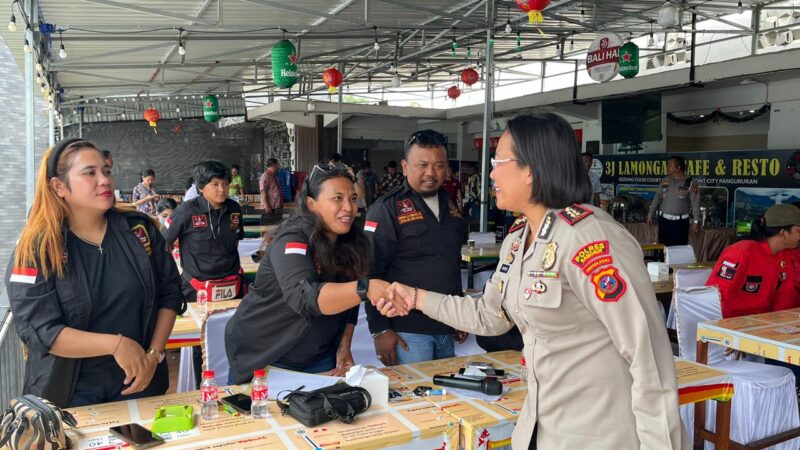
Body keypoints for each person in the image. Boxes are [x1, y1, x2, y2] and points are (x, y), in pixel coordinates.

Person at [372, 113, 685, 449]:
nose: (490, 173)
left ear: (532, 169)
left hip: (597, 434)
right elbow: (489, 315)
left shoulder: (590, 238)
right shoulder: (519, 238)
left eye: (498, 161)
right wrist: (415, 297)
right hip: (539, 426)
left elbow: (648, 356)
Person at [6, 138, 182, 408]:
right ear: (59, 186)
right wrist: (116, 344)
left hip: (141, 381)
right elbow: (40, 330)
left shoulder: (139, 231)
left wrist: (154, 355)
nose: (105, 180)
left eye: (107, 171)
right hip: (69, 393)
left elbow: (170, 293)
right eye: (90, 173)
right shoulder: (37, 247)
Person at [225, 164, 390, 382]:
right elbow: (303, 296)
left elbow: (349, 302)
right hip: (268, 355)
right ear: (312, 204)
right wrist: (367, 288)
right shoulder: (292, 240)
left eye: (352, 198)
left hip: (320, 355)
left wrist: (344, 344)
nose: (348, 208)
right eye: (337, 198)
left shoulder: (350, 242)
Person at [364, 129, 468, 366]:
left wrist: (460, 315)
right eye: (422, 165)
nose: (431, 173)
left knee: (446, 399)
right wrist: (380, 330)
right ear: (405, 166)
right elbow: (369, 274)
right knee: (415, 401)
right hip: (407, 331)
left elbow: (450, 265)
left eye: (439, 165)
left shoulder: (450, 207)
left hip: (446, 324)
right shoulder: (386, 209)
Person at [165, 161, 244, 302]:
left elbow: (236, 240)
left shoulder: (234, 209)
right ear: (201, 187)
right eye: (215, 184)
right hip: (195, 290)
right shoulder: (186, 211)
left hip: (231, 287)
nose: (222, 189)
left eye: (225, 184)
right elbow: (164, 243)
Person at [706, 204, 800, 318]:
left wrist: (782, 322)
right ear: (784, 233)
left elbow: (785, 296)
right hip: (731, 323)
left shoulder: (785, 255)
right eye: (798, 231)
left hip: (764, 323)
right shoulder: (741, 252)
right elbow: (715, 295)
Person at [647, 156, 700, 246]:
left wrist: (695, 221)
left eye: (670, 165)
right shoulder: (665, 180)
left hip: (680, 224)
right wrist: (650, 214)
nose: (667, 167)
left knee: (678, 251)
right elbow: (657, 198)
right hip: (664, 222)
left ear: (678, 168)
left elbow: (695, 203)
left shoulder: (690, 182)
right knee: (663, 249)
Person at [259, 158, 284, 224]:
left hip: (277, 208)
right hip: (270, 209)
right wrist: (266, 206)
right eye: (277, 165)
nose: (278, 167)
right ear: (273, 166)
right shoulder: (265, 176)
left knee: (277, 230)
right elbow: (263, 191)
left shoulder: (274, 176)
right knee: (268, 230)